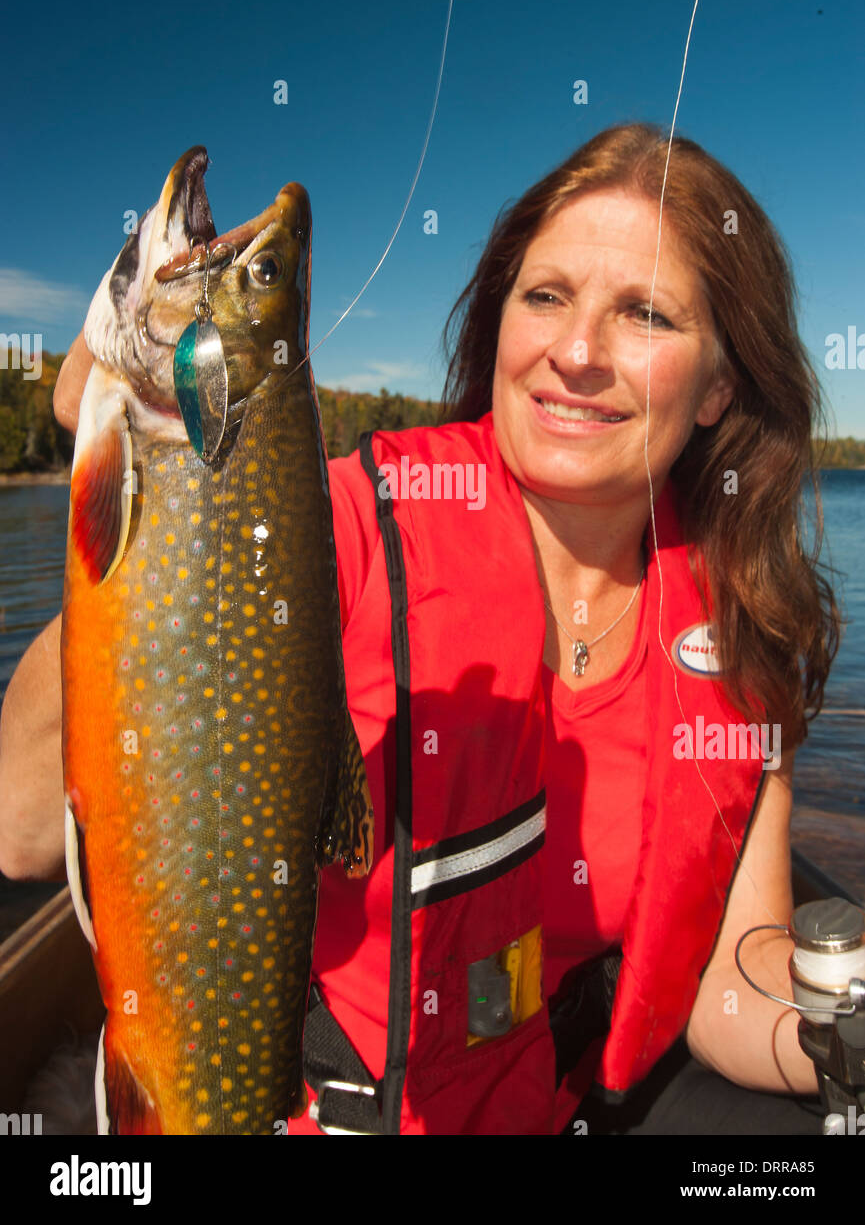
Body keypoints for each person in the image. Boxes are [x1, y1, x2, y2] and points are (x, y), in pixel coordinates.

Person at [0, 123, 841, 1136]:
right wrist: (161, 531)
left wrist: (832, 1033)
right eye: (546, 297)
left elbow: (727, 991)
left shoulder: (740, 635)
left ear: (716, 386)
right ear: (501, 323)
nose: (576, 351)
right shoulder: (338, 527)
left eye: (644, 313)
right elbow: (21, 832)